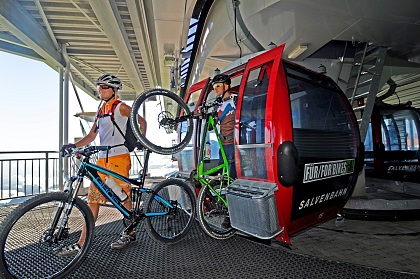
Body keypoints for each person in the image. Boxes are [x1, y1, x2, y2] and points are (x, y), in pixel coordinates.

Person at [54, 73, 147, 257]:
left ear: (114, 90)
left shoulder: (121, 107)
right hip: (101, 161)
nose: (100, 90)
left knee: (122, 197)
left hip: (118, 158)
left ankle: (130, 232)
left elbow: (141, 121)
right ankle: (81, 243)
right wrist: (74, 145)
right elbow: (91, 136)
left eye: (105, 87)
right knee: (93, 200)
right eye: (100, 87)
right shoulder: (100, 111)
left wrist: (140, 140)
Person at [211, 73, 237, 180]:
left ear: (226, 86)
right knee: (223, 176)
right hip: (222, 146)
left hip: (232, 145)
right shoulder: (217, 106)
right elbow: (210, 127)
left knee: (231, 177)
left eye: (218, 86)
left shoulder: (236, 101)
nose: (215, 89)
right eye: (214, 87)